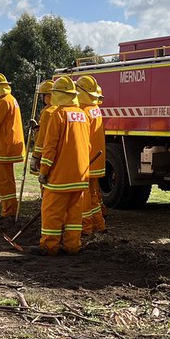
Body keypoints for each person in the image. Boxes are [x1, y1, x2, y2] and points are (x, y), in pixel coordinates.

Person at [37, 77, 91, 256]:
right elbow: (87, 145)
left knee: (52, 212)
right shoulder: (83, 115)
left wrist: (43, 171)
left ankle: (49, 246)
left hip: (60, 177)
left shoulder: (57, 115)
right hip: (80, 176)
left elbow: (50, 147)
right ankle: (72, 245)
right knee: (74, 215)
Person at [0, 72, 25, 218]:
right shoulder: (10, 99)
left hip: (3, 147)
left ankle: (8, 212)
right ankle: (10, 209)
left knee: (3, 182)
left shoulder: (3, 102)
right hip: (7, 146)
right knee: (8, 181)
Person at [76, 74, 107, 235]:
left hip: (87, 160)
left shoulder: (84, 111)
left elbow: (81, 138)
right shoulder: (95, 109)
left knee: (86, 196)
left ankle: (86, 227)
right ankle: (99, 225)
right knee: (94, 195)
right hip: (96, 159)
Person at [29, 79, 56, 173]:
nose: (41, 98)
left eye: (42, 95)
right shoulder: (57, 109)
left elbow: (42, 138)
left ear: (48, 96)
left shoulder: (48, 112)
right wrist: (37, 128)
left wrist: (35, 156)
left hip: (45, 153)